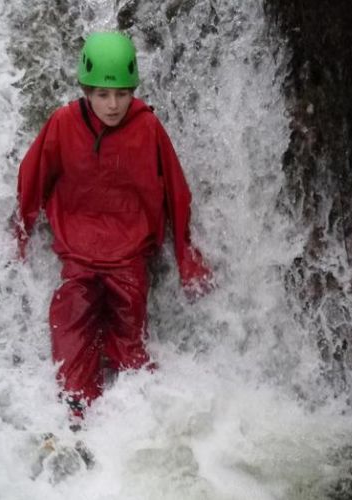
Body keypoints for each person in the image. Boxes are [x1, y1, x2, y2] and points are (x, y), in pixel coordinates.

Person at [15, 32, 212, 420]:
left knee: (130, 343)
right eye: (103, 94)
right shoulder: (62, 123)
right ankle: (78, 413)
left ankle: (136, 419)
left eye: (122, 94)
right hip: (79, 252)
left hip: (129, 254)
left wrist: (186, 254)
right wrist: (20, 229)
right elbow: (33, 177)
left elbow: (176, 191)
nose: (113, 104)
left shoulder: (148, 127)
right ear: (87, 90)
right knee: (71, 321)